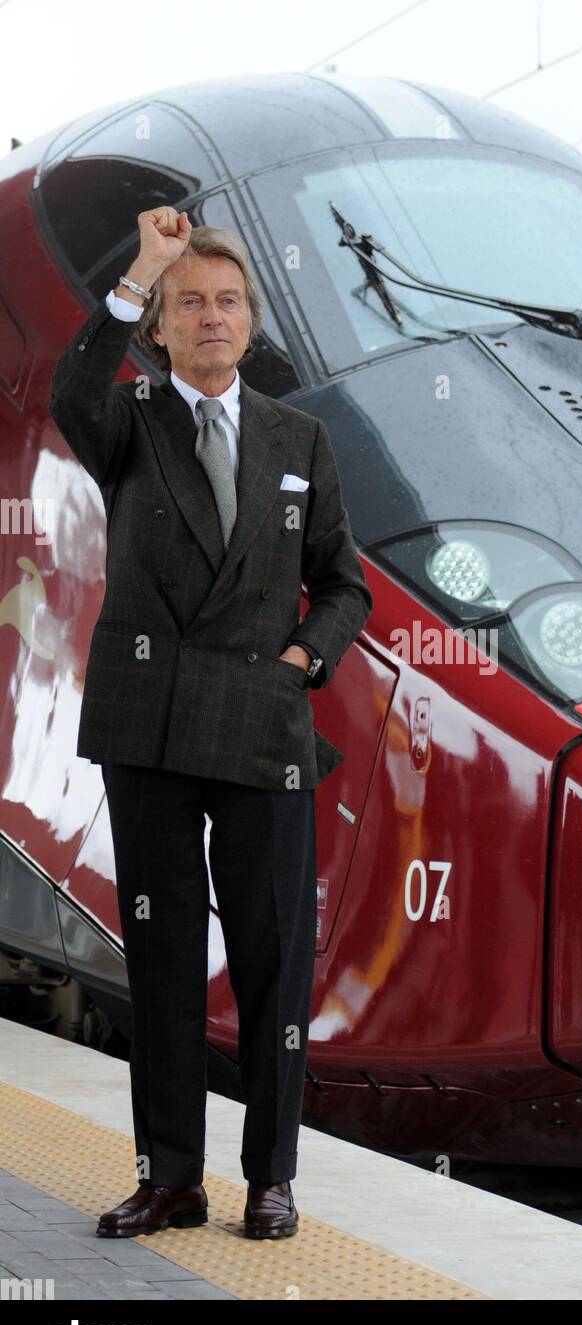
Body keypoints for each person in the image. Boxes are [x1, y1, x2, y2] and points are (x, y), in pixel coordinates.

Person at [48, 205, 373, 1239]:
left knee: (276, 963)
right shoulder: (127, 421)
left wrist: (300, 660)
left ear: (248, 321)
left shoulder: (299, 440)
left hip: (263, 727)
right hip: (149, 728)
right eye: (190, 303)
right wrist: (141, 262)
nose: (211, 317)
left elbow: (342, 586)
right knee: (162, 961)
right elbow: (69, 388)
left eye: (227, 302)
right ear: (162, 326)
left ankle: (270, 1177)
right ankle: (170, 1177)